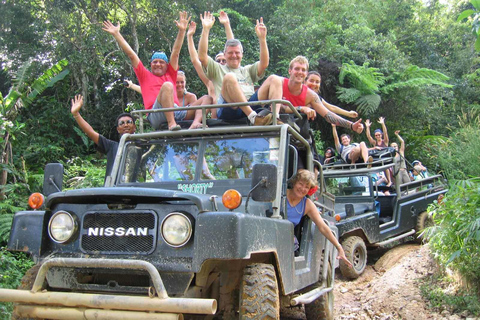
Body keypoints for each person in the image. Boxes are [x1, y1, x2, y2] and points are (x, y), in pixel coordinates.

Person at [103, 12, 212, 131]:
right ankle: (171, 124)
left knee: (208, 98)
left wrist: (182, 31)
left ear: (166, 65)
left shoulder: (171, 73)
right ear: (151, 65)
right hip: (156, 113)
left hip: (176, 110)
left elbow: (175, 53)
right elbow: (132, 55)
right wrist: (116, 34)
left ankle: (195, 124)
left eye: (161, 62)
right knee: (168, 86)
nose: (158, 64)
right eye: (155, 62)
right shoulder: (145, 75)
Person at [198, 11, 279, 125]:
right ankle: (253, 117)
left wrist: (262, 39)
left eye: (237, 53)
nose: (234, 55)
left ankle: (276, 117)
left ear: (242, 55)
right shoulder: (218, 69)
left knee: (274, 78)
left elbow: (264, 63)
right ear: (225, 55)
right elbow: (202, 56)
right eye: (230, 53)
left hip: (250, 105)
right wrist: (206, 29)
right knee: (230, 77)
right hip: (230, 109)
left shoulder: (247, 70)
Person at [286, 169, 352, 266]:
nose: (302, 188)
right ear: (294, 182)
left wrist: (339, 248)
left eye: (307, 187)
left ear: (310, 190)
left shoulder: (307, 204)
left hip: (288, 241)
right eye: (300, 184)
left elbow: (323, 227)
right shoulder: (281, 194)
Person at [70, 94, 136, 179]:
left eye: (129, 122)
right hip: (114, 190)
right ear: (118, 129)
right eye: (121, 123)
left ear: (134, 127)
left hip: (138, 191)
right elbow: (90, 132)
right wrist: (76, 114)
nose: (126, 125)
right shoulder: (112, 146)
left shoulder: (143, 145)